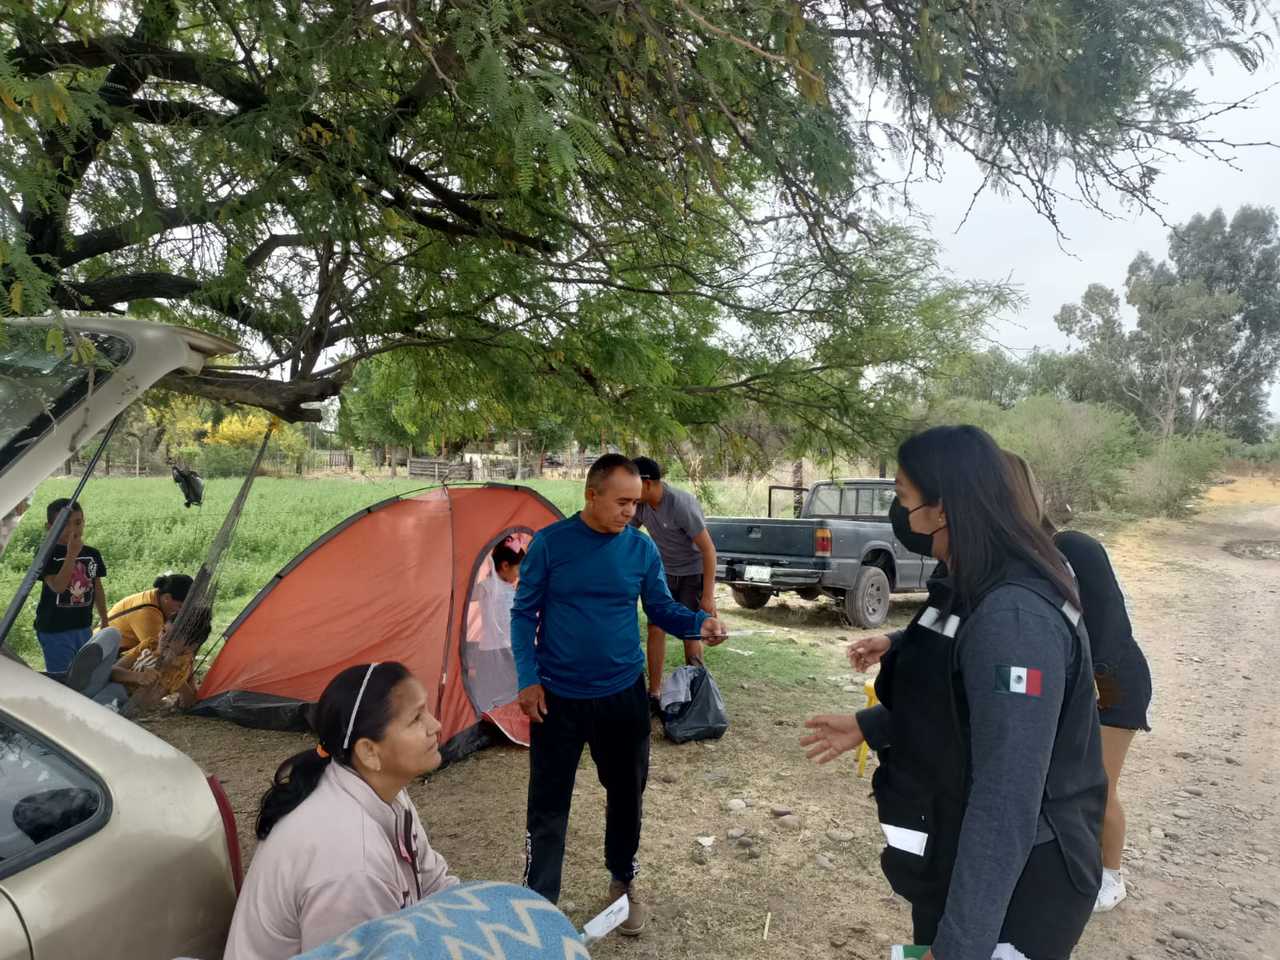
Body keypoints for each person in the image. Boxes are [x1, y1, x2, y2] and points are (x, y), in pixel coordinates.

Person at [801, 426, 1107, 960]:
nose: (901, 514)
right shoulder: (968, 583)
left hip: (1020, 887)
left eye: (903, 497)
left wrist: (960, 947)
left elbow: (1006, 798)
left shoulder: (1013, 617)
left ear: (942, 508)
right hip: (957, 852)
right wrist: (871, 725)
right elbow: (953, 696)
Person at [512, 454, 727, 935]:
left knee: (627, 794)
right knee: (548, 802)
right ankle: (539, 900)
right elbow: (523, 614)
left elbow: (661, 608)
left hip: (622, 695)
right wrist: (527, 678)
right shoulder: (551, 544)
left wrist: (700, 623)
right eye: (622, 502)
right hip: (557, 698)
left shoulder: (640, 549)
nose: (631, 511)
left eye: (635, 503)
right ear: (592, 495)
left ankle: (623, 880)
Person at [224, 662, 457, 960]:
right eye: (416, 719)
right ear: (369, 752)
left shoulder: (385, 791)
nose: (435, 725)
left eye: (426, 710)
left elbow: (436, 885)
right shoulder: (351, 864)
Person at [1004, 451, 1152, 913]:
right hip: (1079, 684)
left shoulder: (1074, 547)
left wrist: (1092, 690)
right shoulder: (1029, 558)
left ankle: (1112, 876)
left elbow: (1108, 627)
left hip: (1112, 682)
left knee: (1099, 786)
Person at [630, 456, 719, 709]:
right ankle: (654, 694)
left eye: (632, 482)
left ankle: (696, 694)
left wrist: (708, 596)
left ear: (647, 483)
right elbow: (627, 534)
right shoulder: (641, 505)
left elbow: (709, 550)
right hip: (663, 574)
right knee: (655, 628)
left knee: (691, 631)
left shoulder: (680, 503)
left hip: (692, 573)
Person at [35, 498, 109, 674]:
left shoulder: (92, 554)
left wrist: (104, 619)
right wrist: (71, 555)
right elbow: (58, 587)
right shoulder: (46, 553)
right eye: (64, 524)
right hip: (54, 629)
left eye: (77, 522)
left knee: (84, 674)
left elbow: (96, 586)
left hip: (83, 626)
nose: (73, 529)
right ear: (49, 527)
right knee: (63, 677)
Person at [106, 573, 193, 655]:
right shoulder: (147, 612)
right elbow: (157, 649)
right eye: (179, 607)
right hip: (110, 654)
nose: (180, 612)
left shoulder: (157, 597)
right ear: (167, 598)